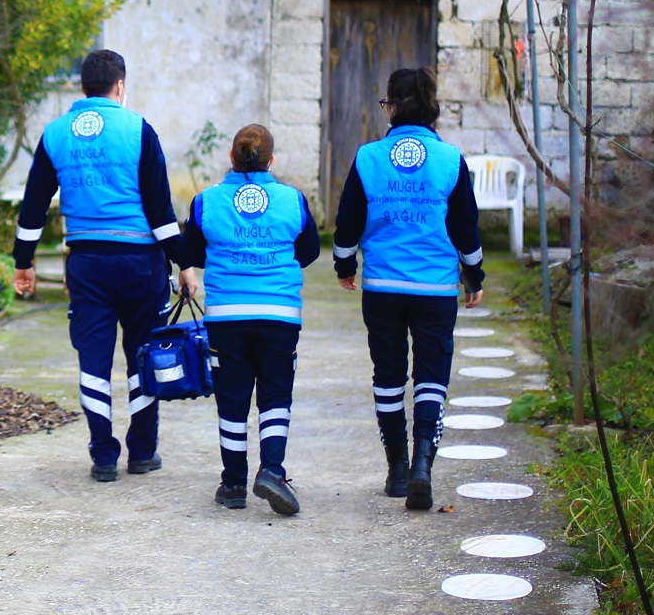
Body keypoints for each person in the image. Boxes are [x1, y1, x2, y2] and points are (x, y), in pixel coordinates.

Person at [11, 49, 186, 482]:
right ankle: (142, 453)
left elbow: (34, 206)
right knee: (143, 356)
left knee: (93, 360)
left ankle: (103, 456)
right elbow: (161, 211)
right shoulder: (139, 130)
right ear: (120, 86)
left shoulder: (55, 134)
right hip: (141, 263)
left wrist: (23, 262)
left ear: (81, 87)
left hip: (87, 263)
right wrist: (185, 264)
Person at [332, 67, 485, 512]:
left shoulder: (367, 157)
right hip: (435, 288)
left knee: (388, 374)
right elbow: (465, 228)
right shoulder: (451, 159)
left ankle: (397, 470)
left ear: (393, 107)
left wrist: (344, 263)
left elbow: (347, 224)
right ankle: (423, 464)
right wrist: (473, 275)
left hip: (382, 286)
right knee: (432, 374)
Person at [175, 124, 320, 515]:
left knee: (232, 399)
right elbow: (308, 252)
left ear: (231, 159)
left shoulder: (206, 202)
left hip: (227, 317)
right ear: (271, 161)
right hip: (280, 315)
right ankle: (271, 470)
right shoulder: (293, 200)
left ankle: (234, 483)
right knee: (275, 396)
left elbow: (194, 252)